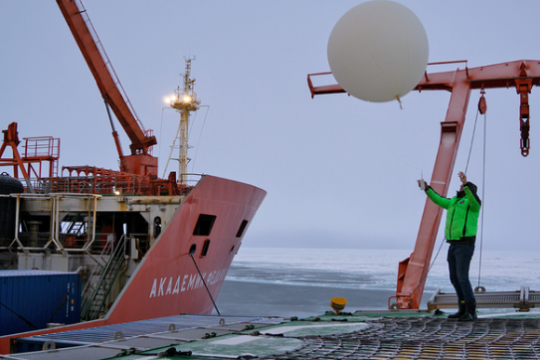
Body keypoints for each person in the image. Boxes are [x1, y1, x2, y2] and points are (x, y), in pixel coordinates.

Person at [419, 171, 481, 321]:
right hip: (453, 245)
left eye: (464, 187)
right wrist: (427, 188)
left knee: (462, 277)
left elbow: (473, 199)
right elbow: (439, 200)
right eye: (461, 186)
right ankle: (462, 308)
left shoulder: (472, 204)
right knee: (454, 278)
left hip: (465, 245)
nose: (460, 187)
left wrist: (466, 184)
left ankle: (471, 311)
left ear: (470, 189)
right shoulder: (453, 202)